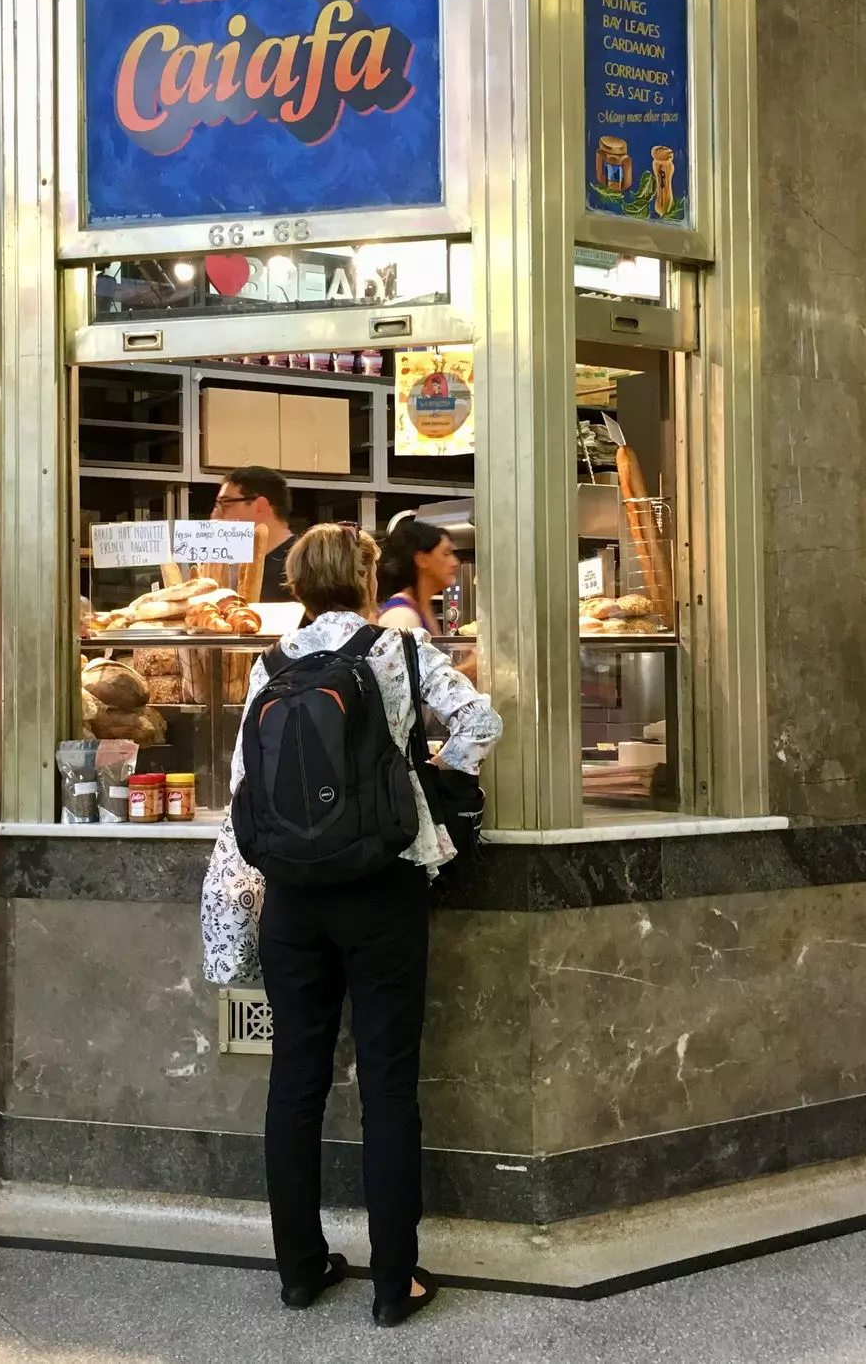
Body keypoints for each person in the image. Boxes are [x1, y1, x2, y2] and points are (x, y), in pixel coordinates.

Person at [205, 524, 500, 1327]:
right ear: (368, 577)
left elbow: (241, 791)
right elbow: (481, 723)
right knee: (388, 1082)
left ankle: (300, 1268)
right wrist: (427, 776)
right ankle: (392, 1283)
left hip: (293, 899)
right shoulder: (396, 651)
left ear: (297, 585)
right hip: (382, 886)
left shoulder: (269, 664)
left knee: (295, 1079)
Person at [214, 465, 299, 600]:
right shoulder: (231, 567)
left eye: (225, 504)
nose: (215, 516)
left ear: (260, 506)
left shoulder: (303, 565)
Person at [375, 516, 460, 637]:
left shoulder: (422, 609)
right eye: (446, 553)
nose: (455, 563)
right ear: (422, 559)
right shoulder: (401, 616)